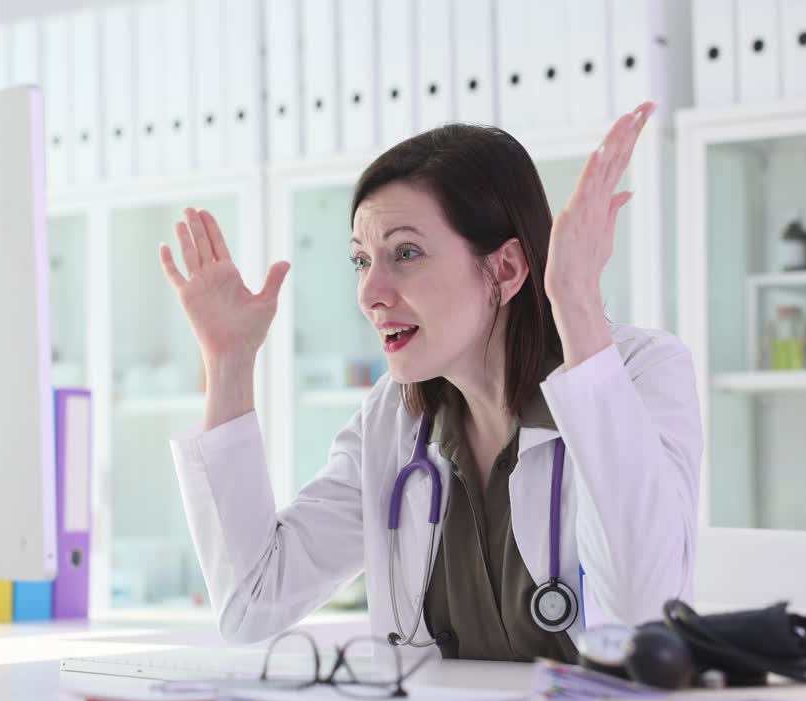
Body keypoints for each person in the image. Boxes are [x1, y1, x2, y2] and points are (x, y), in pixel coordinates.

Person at [158, 102, 702, 663]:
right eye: (361, 261)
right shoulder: (394, 423)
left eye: (406, 253)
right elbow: (253, 603)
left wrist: (576, 301)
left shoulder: (640, 372)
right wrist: (229, 361)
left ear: (506, 269)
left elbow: (645, 614)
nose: (370, 294)